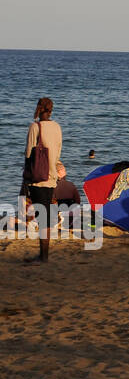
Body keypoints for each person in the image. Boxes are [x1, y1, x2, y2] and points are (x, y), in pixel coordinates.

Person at [22, 98, 62, 264]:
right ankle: (43, 254)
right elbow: (58, 152)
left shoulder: (35, 127)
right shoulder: (57, 127)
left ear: (39, 108)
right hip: (52, 177)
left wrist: (25, 178)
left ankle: (43, 256)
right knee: (44, 213)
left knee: (41, 215)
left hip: (38, 178)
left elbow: (28, 154)